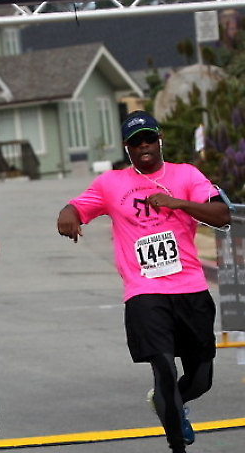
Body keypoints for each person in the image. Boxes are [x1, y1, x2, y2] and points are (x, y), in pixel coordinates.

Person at [56, 111, 231, 453]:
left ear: (159, 138)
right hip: (144, 291)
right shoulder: (111, 183)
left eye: (149, 138)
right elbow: (77, 207)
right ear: (127, 146)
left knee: (201, 378)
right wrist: (67, 215)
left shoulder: (186, 175)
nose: (144, 146)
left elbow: (222, 215)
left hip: (191, 288)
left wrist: (177, 202)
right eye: (136, 142)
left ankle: (169, 402)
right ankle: (176, 444)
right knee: (164, 367)